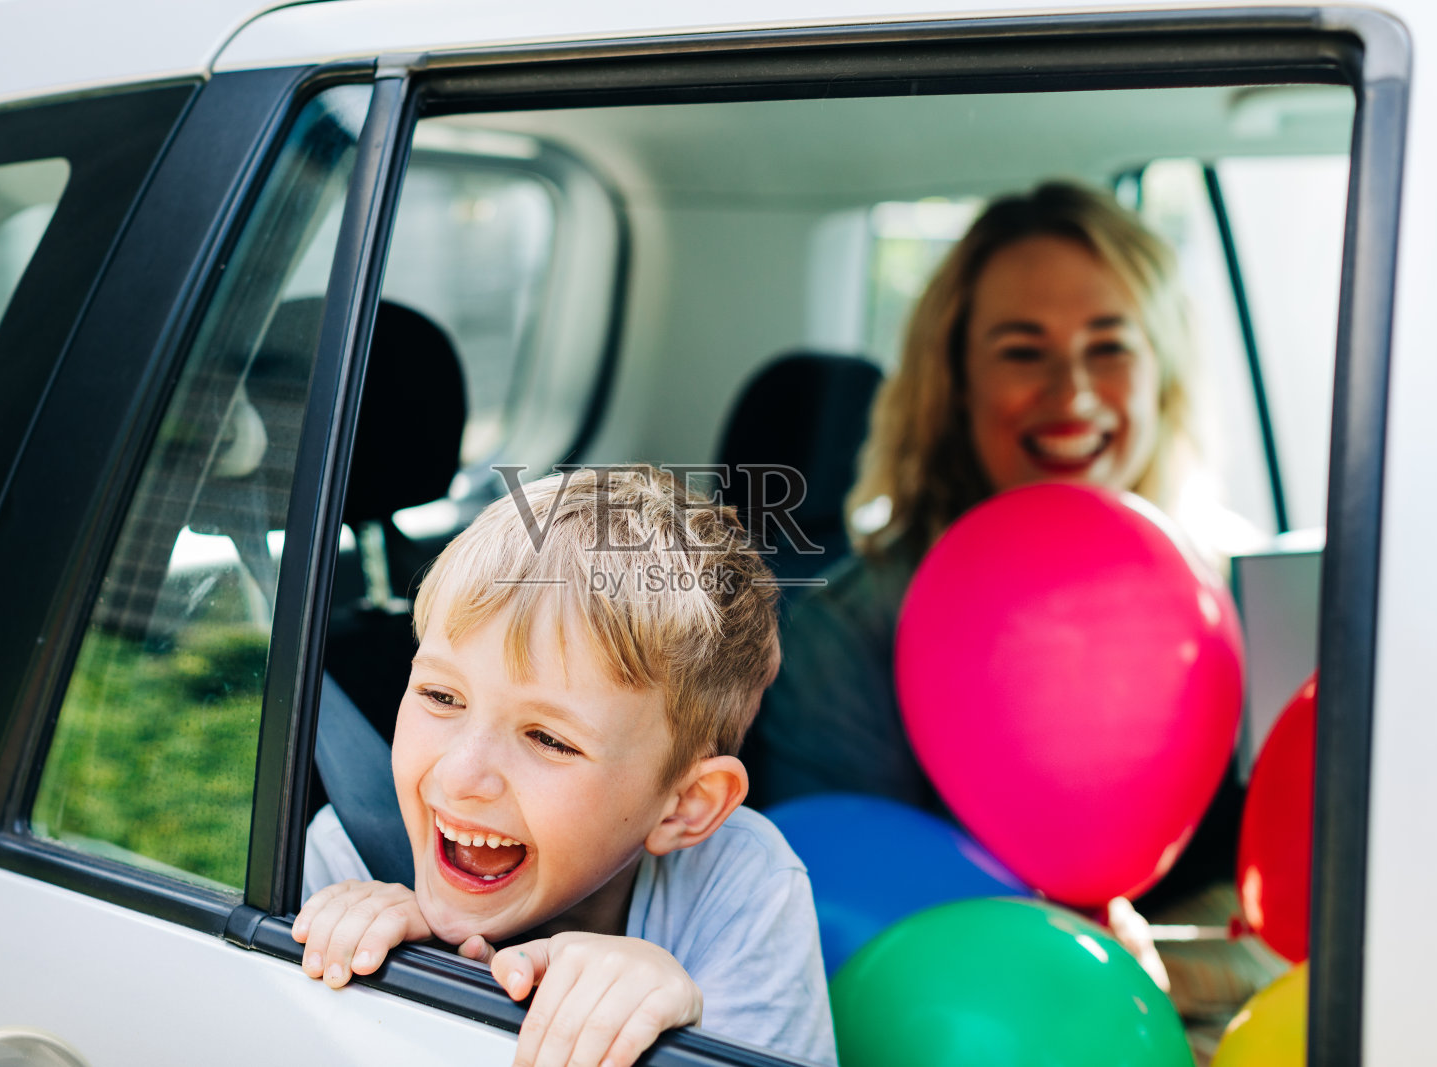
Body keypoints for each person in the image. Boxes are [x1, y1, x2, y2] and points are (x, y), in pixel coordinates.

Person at [738, 181, 1279, 1059]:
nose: (1073, 392)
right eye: (1023, 352)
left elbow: (1320, 902)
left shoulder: (1249, 594)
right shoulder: (848, 630)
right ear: (955, 385)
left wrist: (1148, 974)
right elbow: (835, 927)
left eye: (1110, 346)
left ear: (1163, 371)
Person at [295, 465, 836, 1067]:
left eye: (549, 740)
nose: (461, 777)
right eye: (441, 696)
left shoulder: (737, 885)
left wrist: (675, 1031)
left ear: (685, 805)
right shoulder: (348, 855)